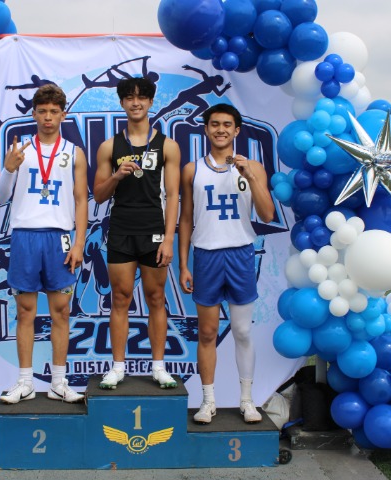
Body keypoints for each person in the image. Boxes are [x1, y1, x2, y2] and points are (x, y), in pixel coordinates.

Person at [178, 103, 275, 424]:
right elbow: (186, 219)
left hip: (240, 254)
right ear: (206, 129)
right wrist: (183, 264)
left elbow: (267, 215)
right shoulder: (192, 169)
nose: (220, 129)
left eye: (227, 125)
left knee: (242, 331)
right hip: (206, 256)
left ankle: (247, 400)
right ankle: (208, 401)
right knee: (207, 333)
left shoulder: (252, 167)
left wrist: (250, 176)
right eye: (215, 124)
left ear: (237, 130)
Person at [0, 84, 88, 404]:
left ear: (63, 114)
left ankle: (59, 382)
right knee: (25, 311)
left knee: (61, 311)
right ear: (33, 114)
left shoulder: (74, 153)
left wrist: (79, 242)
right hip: (25, 236)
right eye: (42, 111)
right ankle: (25, 382)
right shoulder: (20, 151)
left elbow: (81, 200)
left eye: (54, 111)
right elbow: (1, 196)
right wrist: (8, 169)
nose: (48, 117)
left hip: (59, 238)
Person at [93, 77, 181, 389]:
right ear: (122, 103)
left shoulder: (168, 146)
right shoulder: (109, 146)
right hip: (121, 230)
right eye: (129, 97)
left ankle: (159, 367)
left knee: (156, 297)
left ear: (150, 101)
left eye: (141, 97)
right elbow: (99, 195)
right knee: (120, 298)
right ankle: (118, 367)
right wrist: (116, 175)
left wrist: (169, 239)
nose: (136, 102)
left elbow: (173, 195)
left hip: (154, 230)